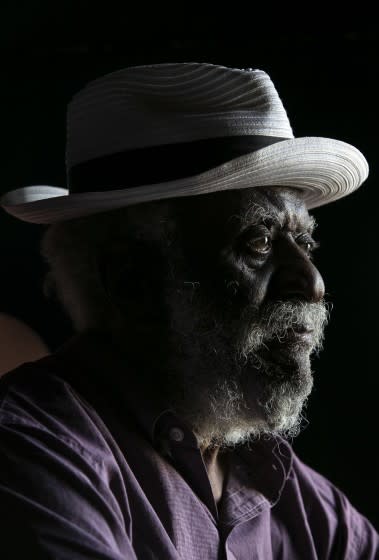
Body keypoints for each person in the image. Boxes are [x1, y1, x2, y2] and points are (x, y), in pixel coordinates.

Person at [0, 62, 377, 559]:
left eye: (304, 241)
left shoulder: (292, 496)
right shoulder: (32, 446)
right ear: (131, 278)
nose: (311, 282)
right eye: (260, 241)